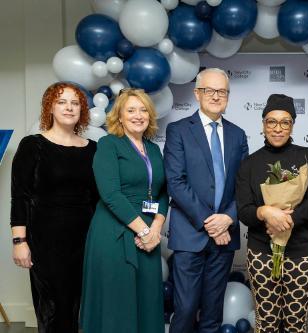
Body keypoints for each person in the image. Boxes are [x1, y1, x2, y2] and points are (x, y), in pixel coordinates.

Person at [164, 68, 248, 333]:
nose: (216, 96)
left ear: (228, 96)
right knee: (186, 310)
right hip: (190, 235)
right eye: (209, 90)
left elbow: (243, 186)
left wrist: (228, 218)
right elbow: (176, 183)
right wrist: (211, 223)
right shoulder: (178, 130)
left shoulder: (238, 134)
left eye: (222, 91)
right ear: (197, 93)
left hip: (225, 237)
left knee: (213, 314)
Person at [10, 82, 97, 332]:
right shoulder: (32, 146)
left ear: (82, 110)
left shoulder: (92, 149)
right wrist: (19, 242)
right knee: (53, 308)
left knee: (77, 306)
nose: (69, 107)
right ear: (50, 108)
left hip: (85, 240)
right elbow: (20, 197)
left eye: (75, 103)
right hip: (45, 242)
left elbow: (98, 199)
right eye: (62, 102)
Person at [80, 88, 168, 333]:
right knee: (117, 306)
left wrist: (156, 228)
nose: (138, 115)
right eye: (131, 110)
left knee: (147, 302)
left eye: (143, 110)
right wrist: (143, 231)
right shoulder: (108, 144)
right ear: (119, 116)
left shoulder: (153, 150)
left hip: (149, 236)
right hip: (115, 234)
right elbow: (110, 194)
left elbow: (162, 192)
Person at [236, 94, 308, 332]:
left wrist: (285, 220)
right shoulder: (249, 163)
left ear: (293, 125)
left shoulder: (307, 156)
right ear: (263, 124)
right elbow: (244, 210)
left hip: (301, 252)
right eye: (271, 122)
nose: (278, 128)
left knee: (297, 321)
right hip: (262, 252)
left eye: (285, 122)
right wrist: (264, 212)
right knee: (266, 322)